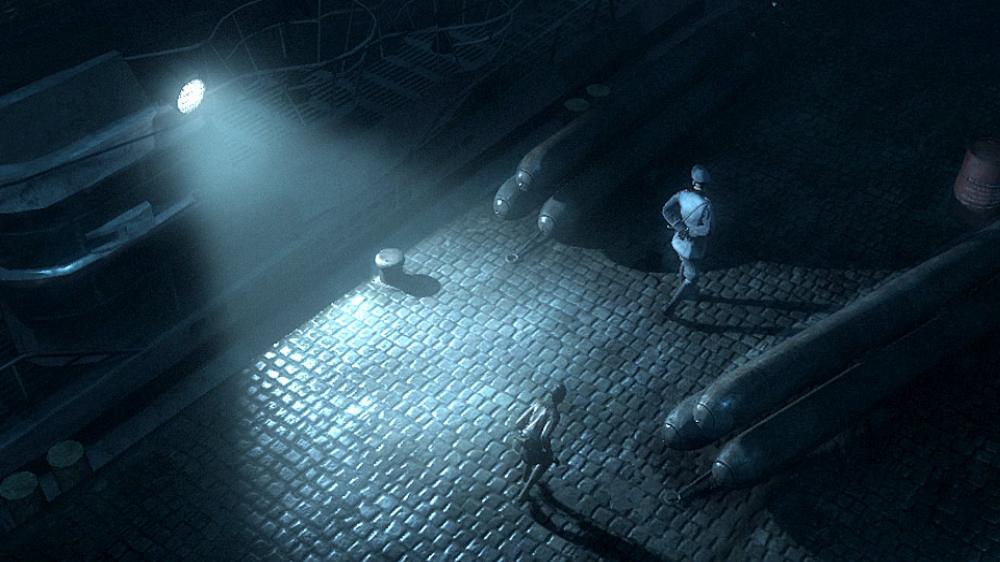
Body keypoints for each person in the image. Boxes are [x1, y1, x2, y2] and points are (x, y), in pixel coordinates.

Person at [662, 165, 715, 314]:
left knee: (684, 264)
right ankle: (671, 306)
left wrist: (679, 226)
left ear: (693, 182)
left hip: (679, 240)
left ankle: (689, 293)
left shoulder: (682, 195)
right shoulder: (706, 206)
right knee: (692, 277)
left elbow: (666, 210)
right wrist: (690, 231)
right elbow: (708, 229)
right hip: (693, 247)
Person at [513, 383, 566, 502]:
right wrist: (549, 452)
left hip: (520, 442)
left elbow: (518, 422)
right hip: (531, 446)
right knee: (546, 461)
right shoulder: (554, 415)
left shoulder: (537, 403)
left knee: (531, 455)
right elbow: (544, 437)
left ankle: (525, 478)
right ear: (561, 399)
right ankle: (524, 492)